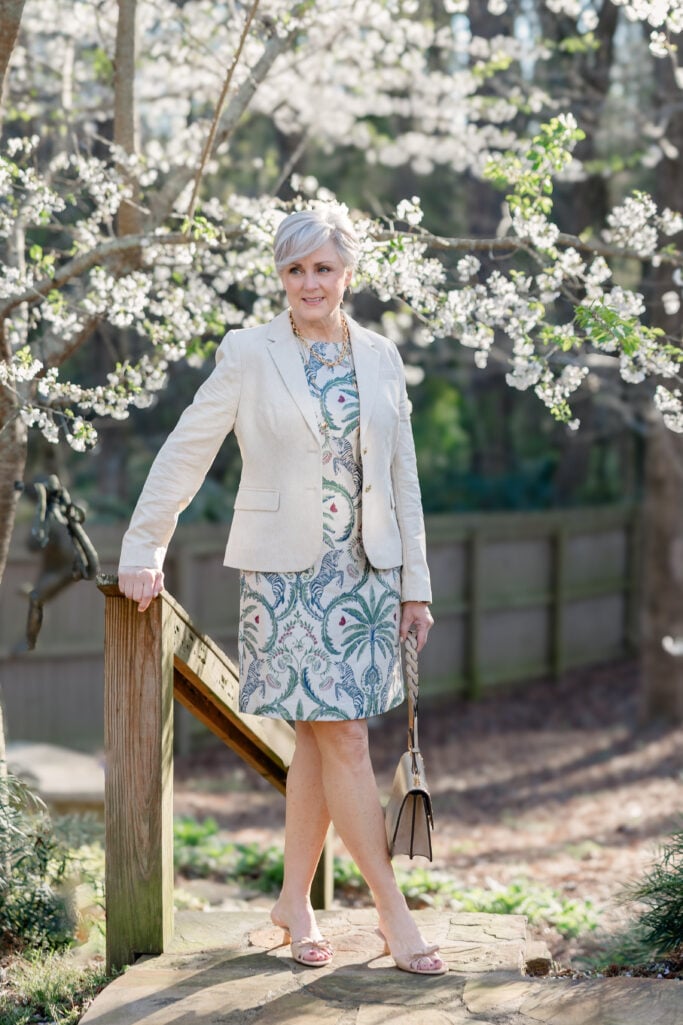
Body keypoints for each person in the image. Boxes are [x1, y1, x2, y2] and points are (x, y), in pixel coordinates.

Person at [118, 206, 445, 976]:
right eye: (295, 269)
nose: (309, 282)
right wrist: (143, 543)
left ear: (346, 274)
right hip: (286, 579)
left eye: (322, 268)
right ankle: (391, 912)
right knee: (343, 737)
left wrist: (415, 587)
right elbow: (185, 449)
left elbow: (403, 479)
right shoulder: (248, 353)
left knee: (319, 739)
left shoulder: (381, 356)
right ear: (280, 276)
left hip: (366, 577)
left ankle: (292, 899)